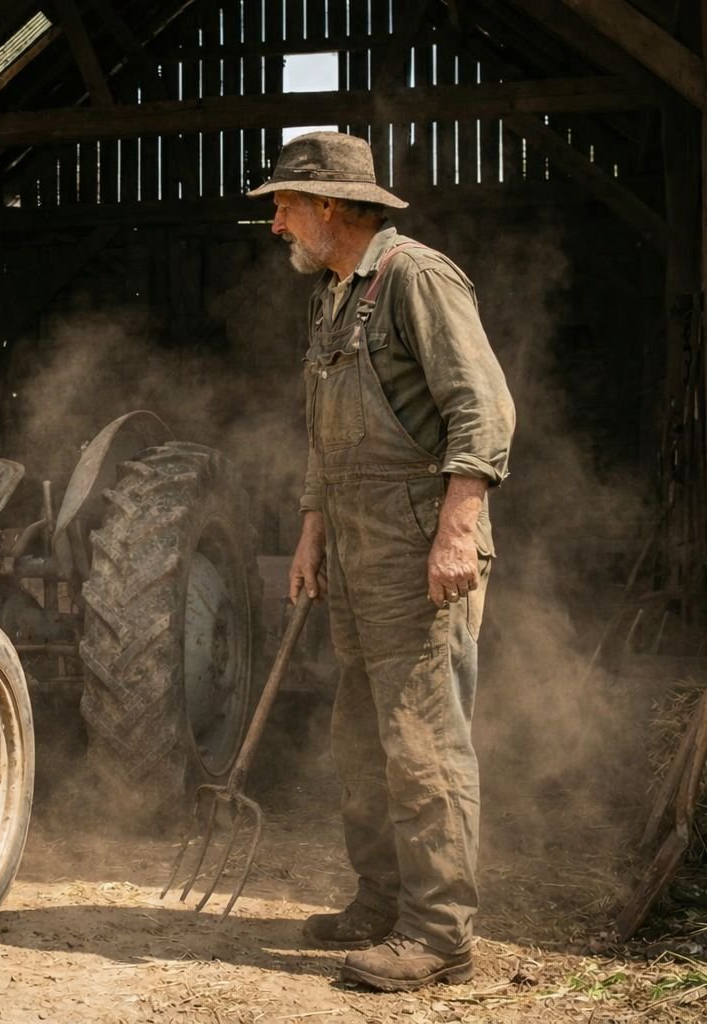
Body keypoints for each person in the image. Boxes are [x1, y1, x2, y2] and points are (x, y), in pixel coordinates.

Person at [247, 132, 516, 992]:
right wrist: (311, 530)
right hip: (358, 551)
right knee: (362, 740)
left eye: (285, 206)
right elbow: (327, 435)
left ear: (330, 207)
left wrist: (456, 532)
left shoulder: (417, 279)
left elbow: (484, 409)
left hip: (415, 548)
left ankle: (439, 935)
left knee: (423, 742)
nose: (276, 224)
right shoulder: (336, 298)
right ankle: (381, 901)